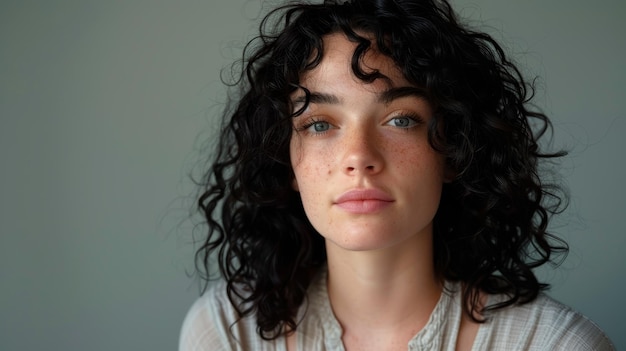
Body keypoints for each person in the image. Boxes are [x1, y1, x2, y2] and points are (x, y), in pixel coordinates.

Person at [179, 0, 614, 350]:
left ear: (454, 150)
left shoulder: (557, 344)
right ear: (285, 158)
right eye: (319, 124)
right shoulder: (227, 331)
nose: (359, 158)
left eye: (401, 119)